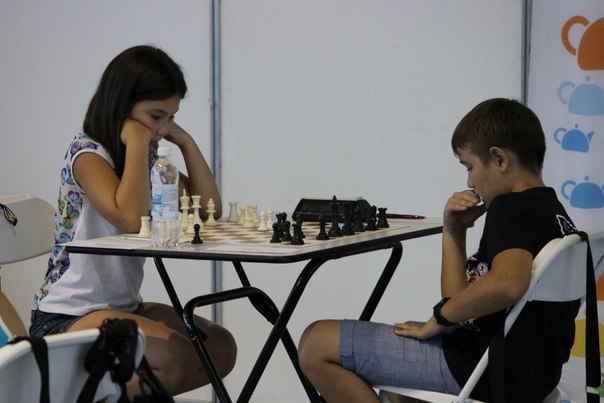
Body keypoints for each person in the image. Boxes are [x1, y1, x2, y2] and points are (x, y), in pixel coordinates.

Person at [298, 98, 579, 402]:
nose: (469, 181)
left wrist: (439, 318)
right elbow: (460, 303)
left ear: (499, 159)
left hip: (483, 368)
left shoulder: (511, 207)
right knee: (398, 396)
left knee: (315, 344)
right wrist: (454, 231)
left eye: (469, 167)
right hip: (530, 376)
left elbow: (508, 283)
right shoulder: (555, 212)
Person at [30, 45, 236, 397]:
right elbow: (130, 218)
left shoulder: (149, 155)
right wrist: (138, 142)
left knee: (219, 347)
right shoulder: (87, 153)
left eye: (171, 118)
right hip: (65, 317)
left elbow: (208, 210)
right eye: (156, 116)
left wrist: (185, 141)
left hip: (122, 307)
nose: (163, 129)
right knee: (176, 358)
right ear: (122, 104)